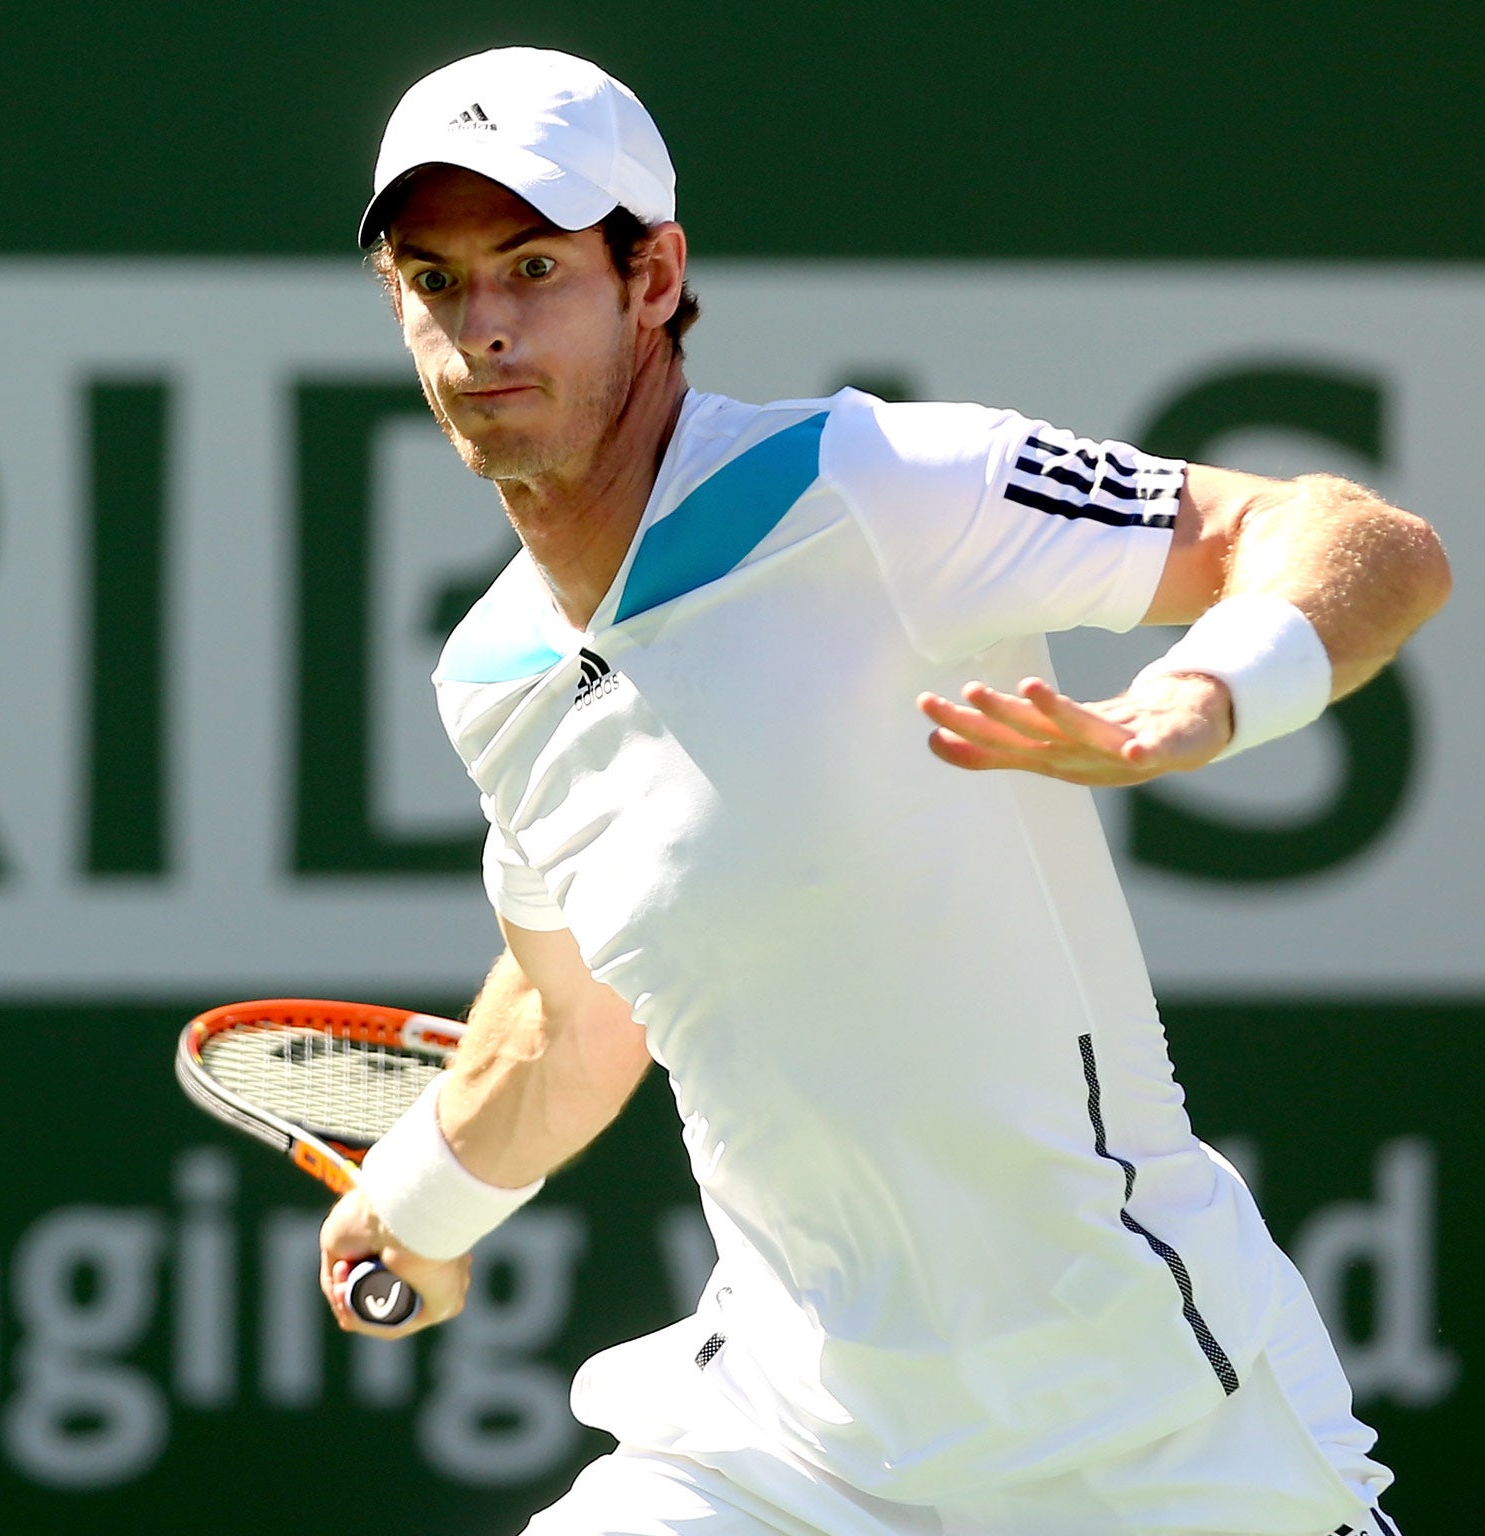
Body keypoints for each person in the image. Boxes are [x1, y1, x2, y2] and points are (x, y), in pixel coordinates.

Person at [318, 45, 1449, 1536]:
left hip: (1149, 1438)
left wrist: (1196, 699)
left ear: (652, 278)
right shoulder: (494, 679)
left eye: (534, 266)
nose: (485, 331)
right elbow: (570, 1014)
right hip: (788, 1451)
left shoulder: (872, 487)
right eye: (438, 281)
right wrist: (422, 1203)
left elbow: (1352, 535)